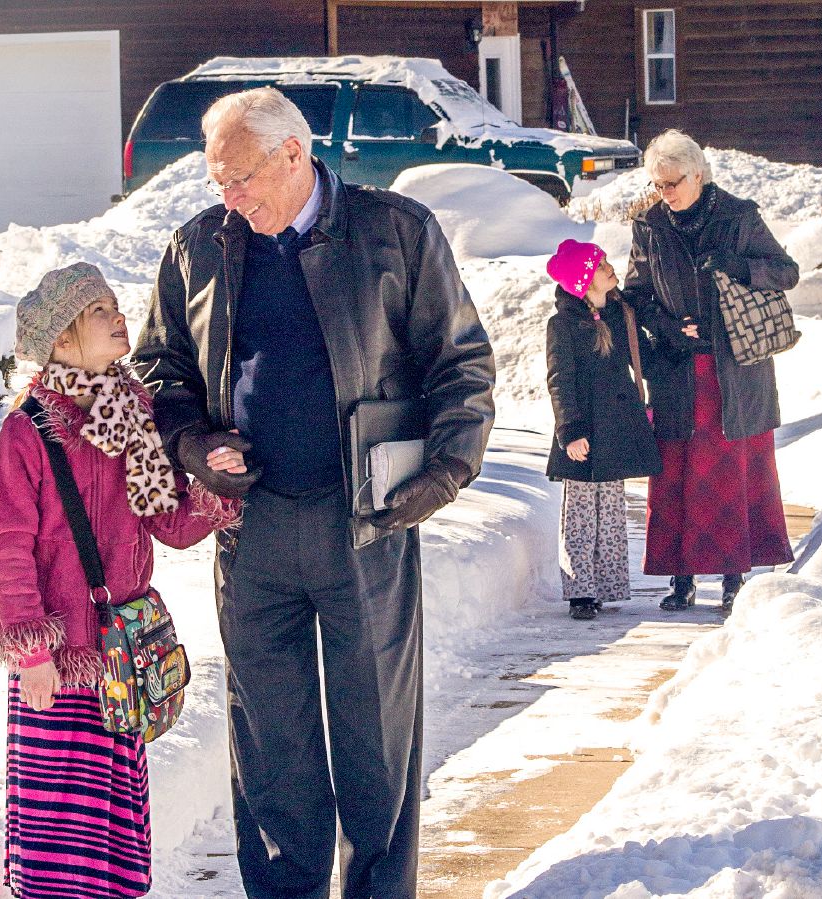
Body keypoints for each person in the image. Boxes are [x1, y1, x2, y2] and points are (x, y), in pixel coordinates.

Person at [131, 87, 495, 899]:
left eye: (241, 178)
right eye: (218, 181)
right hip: (251, 531)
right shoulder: (199, 248)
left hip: (364, 524)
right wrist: (193, 443)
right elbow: (162, 368)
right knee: (271, 741)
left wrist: (443, 472)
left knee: (375, 738)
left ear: (293, 154)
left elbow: (461, 363)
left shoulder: (396, 233)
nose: (229, 197)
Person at [0, 262, 241, 899]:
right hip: (60, 663)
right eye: (98, 309)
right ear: (63, 339)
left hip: (123, 659)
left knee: (111, 835)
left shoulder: (131, 415)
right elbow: (8, 547)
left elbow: (172, 526)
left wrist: (217, 479)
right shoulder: (28, 432)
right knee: (56, 835)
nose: (119, 315)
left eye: (112, 304)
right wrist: (32, 652)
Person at [621, 129, 798, 613]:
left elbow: (785, 272)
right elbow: (636, 293)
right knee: (677, 474)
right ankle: (680, 579)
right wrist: (669, 329)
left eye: (672, 183)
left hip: (734, 372)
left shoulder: (739, 217)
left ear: (698, 174)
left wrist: (735, 265)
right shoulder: (649, 225)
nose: (665, 193)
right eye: (657, 185)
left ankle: (734, 576)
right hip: (679, 369)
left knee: (730, 473)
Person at [545, 239, 662, 620]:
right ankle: (580, 591)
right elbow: (560, 379)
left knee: (610, 512)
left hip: (617, 429)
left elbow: (644, 357)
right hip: (583, 430)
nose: (609, 267)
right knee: (580, 514)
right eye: (600, 265)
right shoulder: (562, 324)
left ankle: (608, 586)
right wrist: (570, 430)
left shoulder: (620, 314)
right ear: (583, 281)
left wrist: (681, 340)